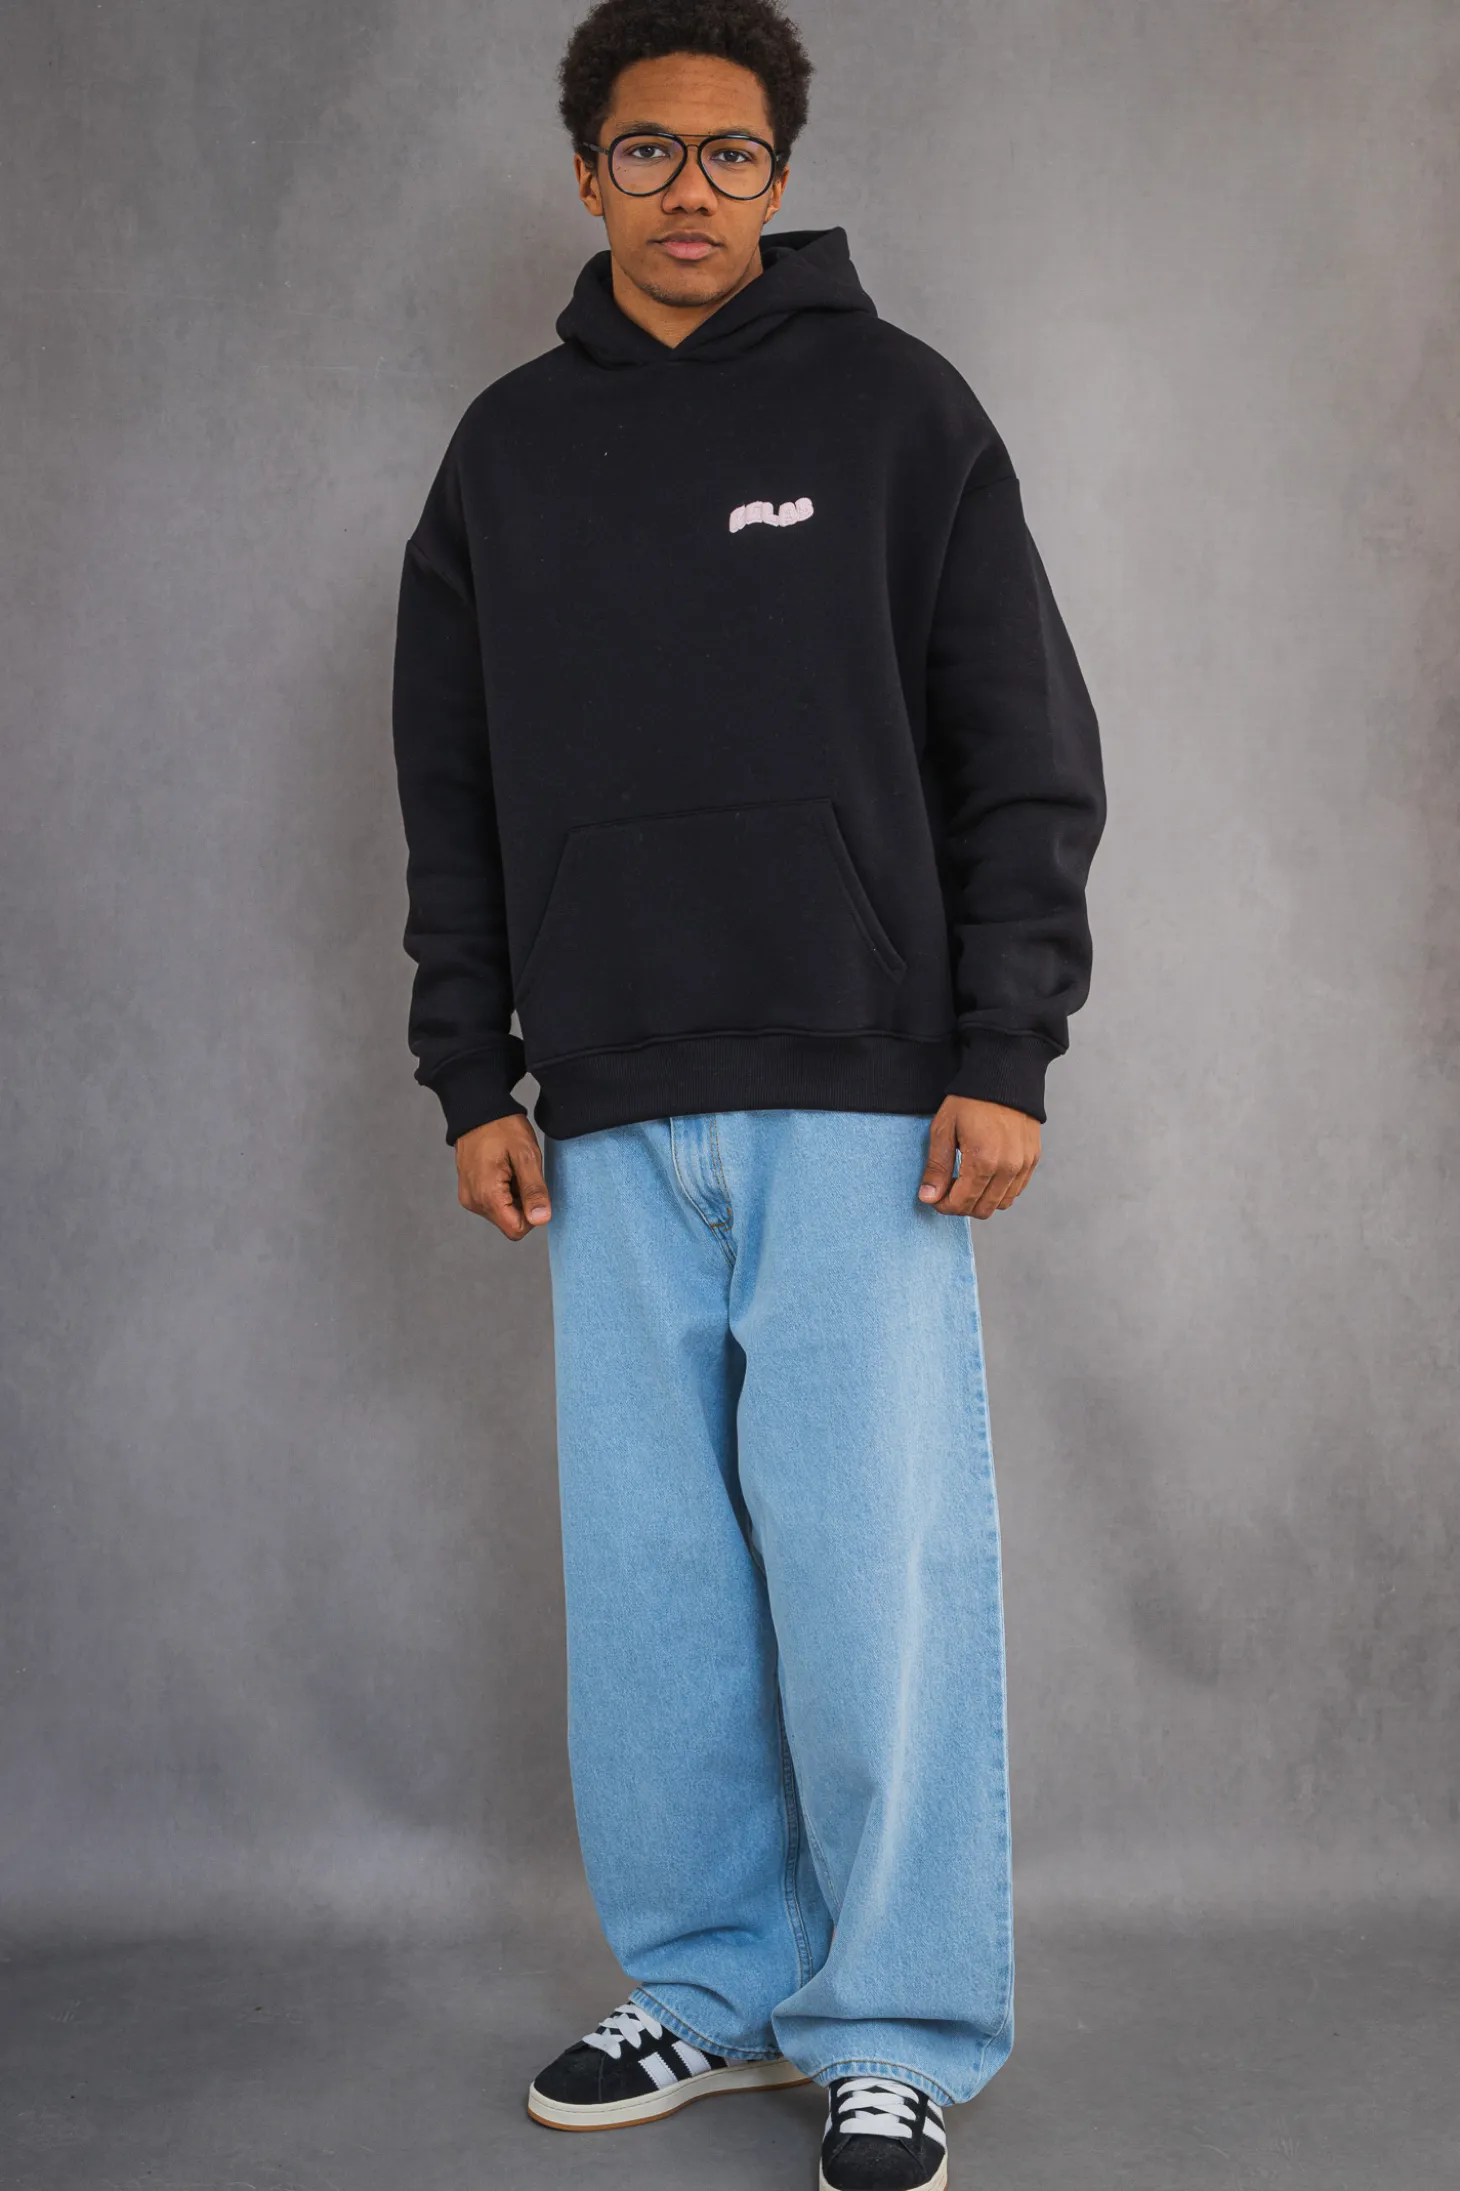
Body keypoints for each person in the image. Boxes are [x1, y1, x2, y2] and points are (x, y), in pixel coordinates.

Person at [389, 2, 1106, 2183]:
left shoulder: (899, 413)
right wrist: (472, 1070)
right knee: (657, 1595)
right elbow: (450, 794)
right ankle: (709, 1989)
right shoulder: (506, 454)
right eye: (645, 149)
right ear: (585, 172)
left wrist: (1003, 1048)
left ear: (778, 177)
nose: (686, 188)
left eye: (727, 152)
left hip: (862, 1100)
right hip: (603, 1107)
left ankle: (895, 2023)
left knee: (874, 1575)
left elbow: (1022, 752)